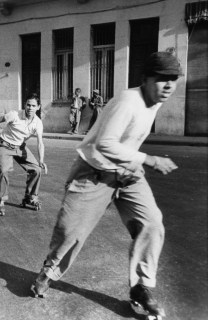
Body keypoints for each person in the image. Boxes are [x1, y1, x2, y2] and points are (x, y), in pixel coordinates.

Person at [30, 52, 183, 319]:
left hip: (127, 171)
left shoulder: (156, 100)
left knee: (152, 222)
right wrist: (149, 159)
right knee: (71, 232)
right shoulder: (128, 101)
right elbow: (105, 144)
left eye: (173, 79)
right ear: (145, 79)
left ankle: (141, 288)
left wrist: (136, 162)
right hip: (95, 170)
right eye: (162, 79)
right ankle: (49, 271)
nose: (169, 86)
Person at [0, 93, 47, 216]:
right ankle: (0, 202)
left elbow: (40, 143)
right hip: (4, 145)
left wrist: (41, 160)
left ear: (38, 107)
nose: (30, 108)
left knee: (37, 169)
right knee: (3, 171)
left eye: (33, 106)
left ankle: (30, 197)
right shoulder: (14, 115)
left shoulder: (38, 122)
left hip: (20, 147)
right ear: (25, 105)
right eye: (28, 105)